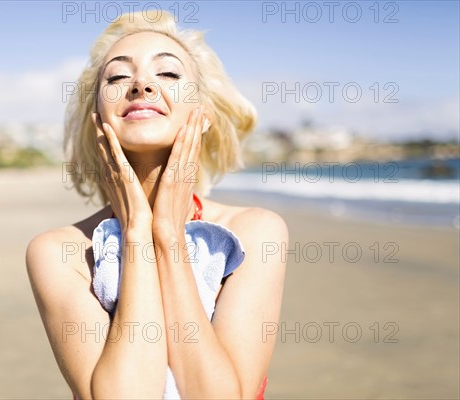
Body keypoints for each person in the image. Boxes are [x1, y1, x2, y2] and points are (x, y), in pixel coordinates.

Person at [26, 10, 288, 399]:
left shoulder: (255, 233)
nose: (142, 84)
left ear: (204, 115)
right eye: (117, 77)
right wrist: (136, 234)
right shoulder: (60, 253)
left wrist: (167, 235)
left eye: (168, 74)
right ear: (97, 116)